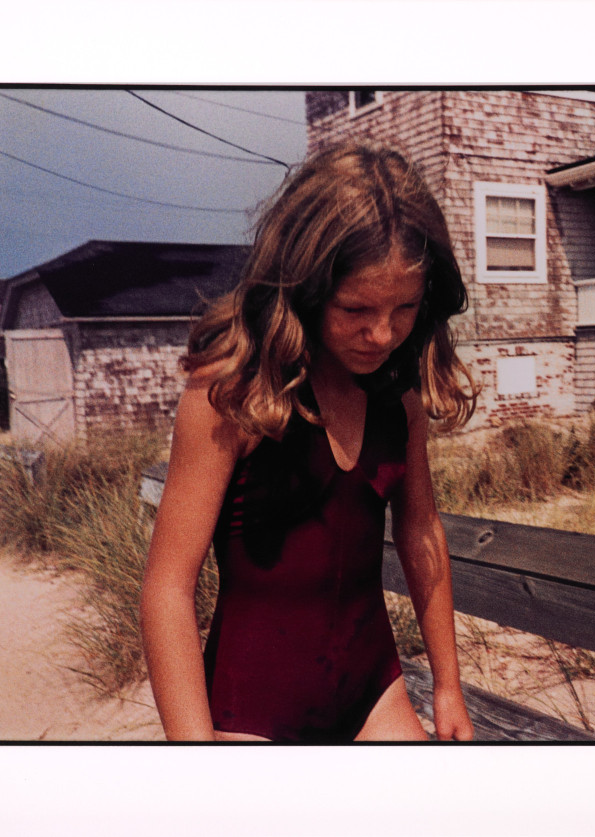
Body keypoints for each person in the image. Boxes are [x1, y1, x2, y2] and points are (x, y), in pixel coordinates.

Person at [140, 142, 478, 742]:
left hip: (373, 690)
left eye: (404, 308)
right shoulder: (233, 393)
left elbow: (420, 530)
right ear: (304, 286)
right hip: (254, 712)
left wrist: (448, 688)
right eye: (356, 309)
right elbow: (167, 588)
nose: (382, 334)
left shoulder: (398, 394)